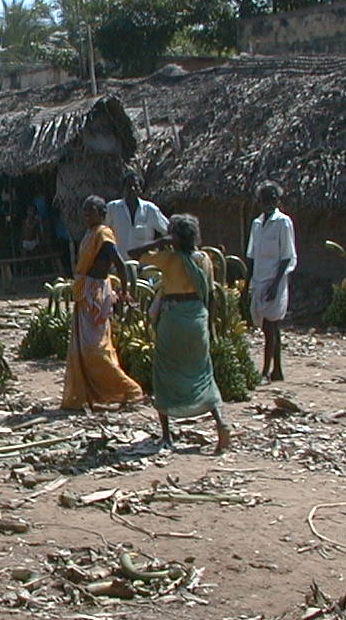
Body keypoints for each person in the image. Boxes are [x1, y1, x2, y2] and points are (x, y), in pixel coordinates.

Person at [132, 214, 231, 453]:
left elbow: (133, 255)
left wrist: (160, 242)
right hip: (197, 317)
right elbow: (210, 293)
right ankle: (220, 422)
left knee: (164, 372)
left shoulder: (169, 259)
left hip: (174, 319)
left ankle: (166, 435)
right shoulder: (204, 259)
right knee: (203, 372)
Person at [61, 195, 144, 410]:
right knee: (82, 346)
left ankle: (128, 389)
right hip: (84, 292)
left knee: (95, 348)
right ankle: (90, 393)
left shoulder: (104, 235)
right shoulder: (89, 234)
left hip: (96, 294)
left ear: (102, 213)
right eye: (85, 210)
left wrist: (125, 290)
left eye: (91, 210)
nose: (87, 214)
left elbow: (120, 264)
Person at [247, 181, 297, 383]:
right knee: (271, 327)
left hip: (274, 280)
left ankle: (266, 370)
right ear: (259, 202)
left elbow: (286, 256)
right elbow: (251, 255)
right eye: (265, 200)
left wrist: (276, 285)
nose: (269, 203)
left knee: (270, 326)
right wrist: (247, 283)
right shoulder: (257, 224)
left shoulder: (283, 222)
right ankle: (277, 369)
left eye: (272, 199)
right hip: (259, 280)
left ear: (278, 200)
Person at [105, 170, 169, 260]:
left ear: (141, 189)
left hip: (144, 265)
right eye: (129, 186)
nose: (132, 189)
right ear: (123, 189)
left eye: (136, 186)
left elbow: (167, 230)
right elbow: (102, 233)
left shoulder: (150, 210)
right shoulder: (112, 208)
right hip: (120, 266)